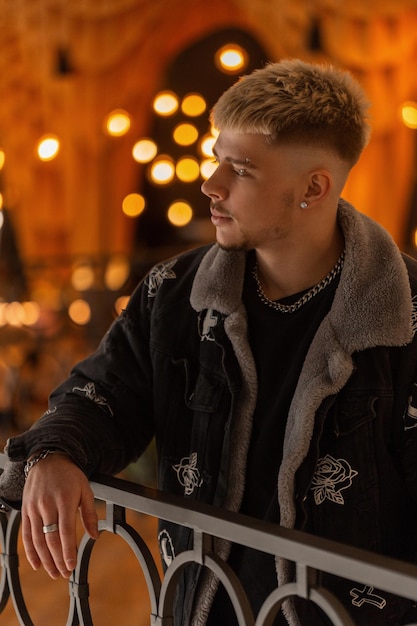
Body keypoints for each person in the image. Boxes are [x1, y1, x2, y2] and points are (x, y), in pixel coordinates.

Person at [1, 58, 417, 626]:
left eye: (240, 169)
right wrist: (54, 453)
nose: (211, 184)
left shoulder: (408, 315)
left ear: (313, 188)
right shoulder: (173, 291)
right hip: (197, 606)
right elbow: (105, 393)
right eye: (216, 158)